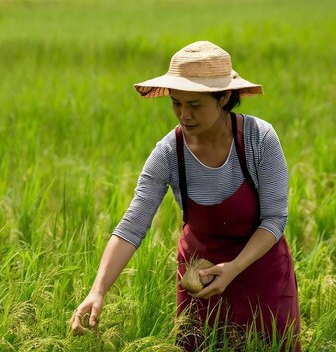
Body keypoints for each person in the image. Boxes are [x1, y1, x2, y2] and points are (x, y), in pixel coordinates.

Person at [70, 41, 301, 351]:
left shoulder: (259, 139)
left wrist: (233, 268)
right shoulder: (169, 152)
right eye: (176, 103)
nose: (184, 114)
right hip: (199, 280)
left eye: (195, 105)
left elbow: (275, 219)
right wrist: (98, 290)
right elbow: (132, 226)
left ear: (224, 98)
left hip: (260, 274)